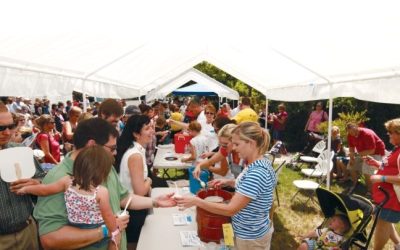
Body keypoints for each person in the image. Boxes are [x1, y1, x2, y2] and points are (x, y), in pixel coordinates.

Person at [32, 118, 176, 250]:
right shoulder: (58, 177)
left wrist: (156, 202)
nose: (115, 153)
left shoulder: (104, 166)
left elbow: (123, 198)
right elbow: (50, 239)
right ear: (92, 145)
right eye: (112, 148)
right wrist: (107, 229)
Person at [177, 122, 276, 250]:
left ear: (251, 143)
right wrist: (229, 182)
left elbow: (230, 209)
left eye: (237, 144)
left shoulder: (256, 173)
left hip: (249, 238)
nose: (233, 148)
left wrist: (197, 201)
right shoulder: (259, 163)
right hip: (252, 231)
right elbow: (252, 188)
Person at [17, 146, 121, 249]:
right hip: (95, 227)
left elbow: (44, 190)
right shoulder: (101, 192)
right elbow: (108, 216)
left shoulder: (67, 181)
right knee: (114, 240)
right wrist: (114, 231)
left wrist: (26, 189)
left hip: (75, 226)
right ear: (102, 173)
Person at [0, 102, 45, 249]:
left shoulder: (19, 150)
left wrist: (36, 184)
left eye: (11, 126)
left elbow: (42, 180)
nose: (7, 132)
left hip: (27, 232)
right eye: (0, 128)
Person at [116, 114, 154, 248]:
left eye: (151, 127)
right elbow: (140, 191)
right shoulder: (135, 155)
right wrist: (149, 180)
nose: (152, 131)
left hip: (133, 206)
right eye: (147, 128)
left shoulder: (135, 150)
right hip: (133, 211)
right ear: (136, 134)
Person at [363, 118, 400, 250]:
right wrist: (376, 164)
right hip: (386, 197)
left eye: (391, 132)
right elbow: (392, 167)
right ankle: (398, 244)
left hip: (392, 199)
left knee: (382, 224)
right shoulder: (397, 149)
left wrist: (381, 178)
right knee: (382, 221)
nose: (388, 134)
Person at [346, 122, 385, 194]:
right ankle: (356, 185)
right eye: (351, 132)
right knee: (351, 166)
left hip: (376, 153)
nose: (353, 134)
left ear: (357, 127)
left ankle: (370, 191)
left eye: (354, 131)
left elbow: (372, 151)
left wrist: (355, 154)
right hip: (362, 153)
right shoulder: (350, 135)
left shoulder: (367, 134)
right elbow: (351, 147)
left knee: (366, 170)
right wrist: (352, 158)